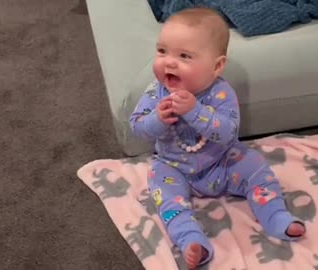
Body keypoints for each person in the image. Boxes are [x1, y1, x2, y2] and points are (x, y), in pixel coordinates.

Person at [129, 7, 306, 269]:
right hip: (173, 166)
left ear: (216, 66)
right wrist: (156, 119)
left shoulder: (220, 92)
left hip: (221, 162)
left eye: (185, 56)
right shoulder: (156, 92)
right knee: (162, 192)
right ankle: (191, 240)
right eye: (162, 51)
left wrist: (195, 111)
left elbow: (228, 133)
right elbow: (136, 127)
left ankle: (275, 215)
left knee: (256, 166)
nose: (169, 62)